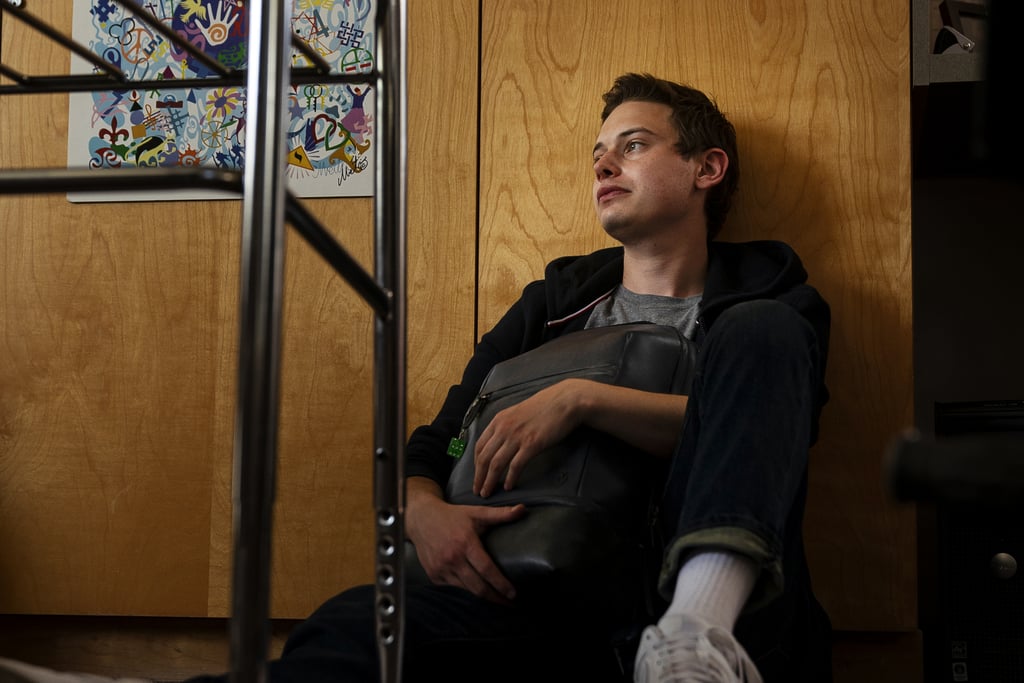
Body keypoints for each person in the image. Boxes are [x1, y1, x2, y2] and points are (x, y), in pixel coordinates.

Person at [0, 72, 832, 683]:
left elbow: (765, 432)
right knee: (354, 632)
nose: (604, 165)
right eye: (597, 153)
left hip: (710, 612)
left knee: (766, 339)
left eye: (635, 145)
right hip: (532, 597)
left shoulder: (768, 299)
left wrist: (580, 400)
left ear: (706, 169)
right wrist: (425, 514)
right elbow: (429, 447)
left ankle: (697, 637)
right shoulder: (553, 304)